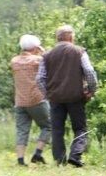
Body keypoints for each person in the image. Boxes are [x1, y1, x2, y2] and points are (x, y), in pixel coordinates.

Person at [36, 25, 98, 167]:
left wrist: (48, 94)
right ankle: (75, 156)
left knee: (57, 129)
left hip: (55, 98)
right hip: (76, 96)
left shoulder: (47, 55)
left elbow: (40, 79)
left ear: (58, 38)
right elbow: (89, 71)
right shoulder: (79, 51)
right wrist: (91, 90)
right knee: (80, 128)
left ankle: (59, 160)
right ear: (70, 37)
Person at [10, 34, 50, 165]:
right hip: (37, 100)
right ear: (35, 47)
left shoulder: (14, 61)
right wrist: (42, 51)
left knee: (22, 130)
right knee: (49, 126)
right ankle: (38, 153)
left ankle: (20, 160)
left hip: (20, 101)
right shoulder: (38, 60)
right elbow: (48, 60)